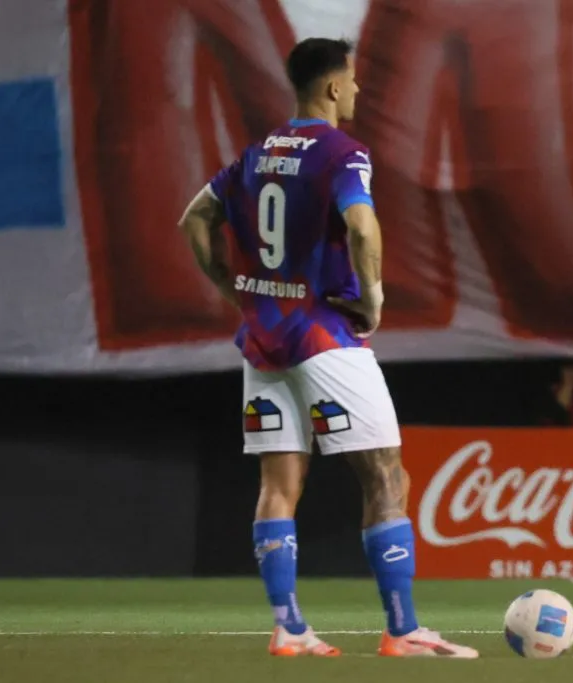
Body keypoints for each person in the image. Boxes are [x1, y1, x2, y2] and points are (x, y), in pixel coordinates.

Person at [178, 37, 478, 659]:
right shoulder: (343, 152)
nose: (360, 91)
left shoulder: (258, 153)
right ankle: (403, 630)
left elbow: (195, 219)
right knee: (386, 475)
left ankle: (289, 628)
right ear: (334, 87)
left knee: (280, 482)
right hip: (325, 336)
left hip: (263, 341)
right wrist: (372, 298)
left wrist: (234, 291)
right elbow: (363, 225)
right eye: (355, 81)